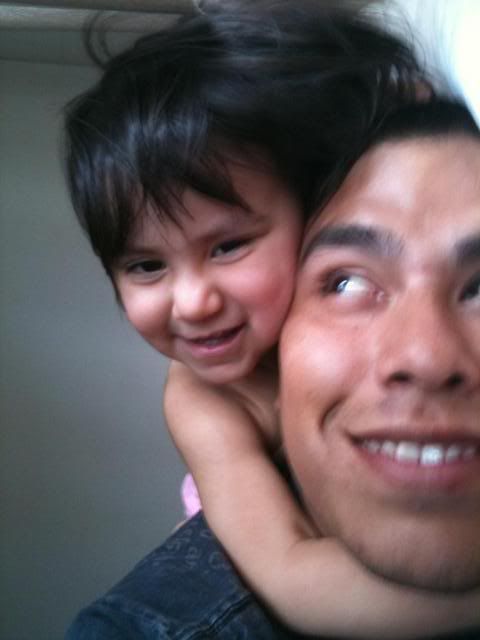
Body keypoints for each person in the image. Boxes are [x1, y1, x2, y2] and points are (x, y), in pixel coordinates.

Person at [64, 3, 480, 640]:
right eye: (146, 266)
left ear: (308, 211)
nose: (192, 301)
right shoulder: (204, 399)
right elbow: (296, 579)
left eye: (228, 246)